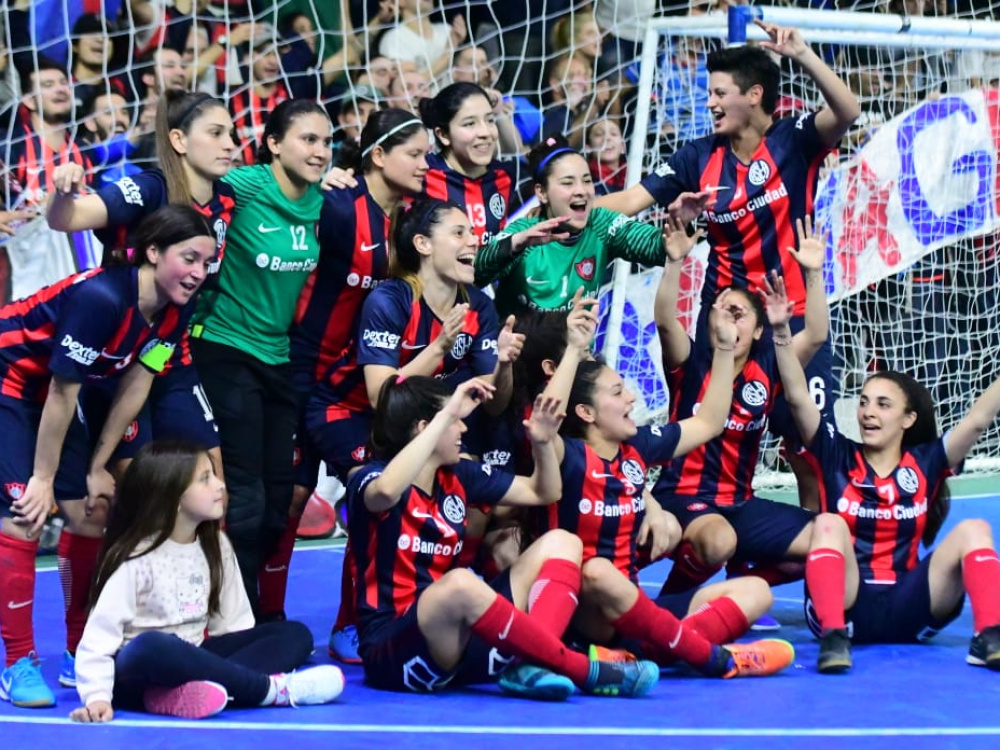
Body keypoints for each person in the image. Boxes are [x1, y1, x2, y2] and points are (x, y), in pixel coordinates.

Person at [596, 22, 861, 509]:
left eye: (720, 92)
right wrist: (570, 209)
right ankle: (699, 532)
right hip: (724, 321)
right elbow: (632, 200)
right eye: (708, 92)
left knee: (809, 449)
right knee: (711, 436)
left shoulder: (794, 139)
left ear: (754, 94)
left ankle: (818, 552)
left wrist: (802, 54)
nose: (710, 102)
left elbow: (848, 110)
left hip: (793, 314)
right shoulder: (698, 157)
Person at [0, 205, 217, 708]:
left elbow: (138, 381)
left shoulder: (177, 307)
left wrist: (98, 466)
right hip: (12, 380)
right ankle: (18, 661)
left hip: (63, 393)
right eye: (189, 258)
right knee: (23, 517)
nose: (198, 273)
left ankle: (82, 651)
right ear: (153, 253)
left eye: (206, 263)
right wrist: (41, 478)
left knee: (94, 512)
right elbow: (59, 391)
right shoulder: (101, 299)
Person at [519, 291, 795, 681]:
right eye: (617, 393)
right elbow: (548, 417)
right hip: (582, 608)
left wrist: (721, 349)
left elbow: (708, 423)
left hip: (628, 610)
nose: (631, 397)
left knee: (756, 593)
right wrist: (575, 350)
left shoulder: (638, 448)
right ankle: (713, 658)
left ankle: (638, 654)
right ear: (585, 412)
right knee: (597, 570)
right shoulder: (566, 453)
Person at [349, 375, 659, 698]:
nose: (464, 430)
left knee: (564, 542)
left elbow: (545, 491)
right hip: (394, 649)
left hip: (459, 639)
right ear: (425, 428)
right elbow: (385, 491)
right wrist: (445, 415)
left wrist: (542, 443)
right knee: (460, 583)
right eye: (456, 422)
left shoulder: (459, 475)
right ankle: (579, 668)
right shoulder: (368, 478)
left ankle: (532, 665)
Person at [768, 273, 1000, 674]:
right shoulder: (834, 450)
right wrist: (781, 333)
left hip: (909, 604)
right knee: (827, 523)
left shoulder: (927, 461)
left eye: (882, 405)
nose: (868, 412)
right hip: (845, 600)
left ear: (909, 418)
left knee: (974, 528)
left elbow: (979, 419)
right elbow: (796, 396)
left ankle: (990, 637)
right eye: (863, 402)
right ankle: (833, 639)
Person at [279, 110, 430, 627]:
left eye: (428, 154)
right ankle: (266, 616)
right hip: (302, 369)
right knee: (291, 497)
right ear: (378, 156)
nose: (425, 164)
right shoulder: (338, 207)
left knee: (376, 493)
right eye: (414, 154)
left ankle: (353, 622)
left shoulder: (416, 220)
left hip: (366, 380)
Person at [69, 441, 344, 722]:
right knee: (153, 646)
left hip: (197, 656)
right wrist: (97, 697)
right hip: (142, 669)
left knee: (294, 635)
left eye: (213, 475)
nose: (219, 485)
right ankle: (270, 691)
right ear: (172, 496)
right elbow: (97, 643)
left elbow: (234, 628)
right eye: (204, 479)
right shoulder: (134, 559)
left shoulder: (216, 544)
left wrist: (244, 652)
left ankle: (180, 696)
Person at [188, 99, 333, 615]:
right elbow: (191, 185)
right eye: (307, 140)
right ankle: (231, 615)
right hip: (223, 347)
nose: (319, 152)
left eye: (325, 142)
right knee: (244, 498)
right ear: (273, 144)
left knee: (278, 501)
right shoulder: (248, 186)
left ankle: (253, 610)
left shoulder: (326, 201)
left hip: (280, 359)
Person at [652, 216, 826, 598]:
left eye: (739, 312)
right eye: (721, 308)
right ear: (708, 319)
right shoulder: (691, 362)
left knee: (826, 540)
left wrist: (813, 274)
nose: (728, 314)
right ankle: (671, 606)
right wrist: (674, 261)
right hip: (682, 498)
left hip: (740, 504)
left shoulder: (766, 370)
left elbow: (815, 335)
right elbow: (665, 322)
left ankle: (742, 583)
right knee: (718, 539)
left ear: (759, 330)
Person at [474, 135, 666, 317]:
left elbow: (652, 245)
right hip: (518, 350)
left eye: (587, 181)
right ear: (541, 193)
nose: (581, 191)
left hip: (576, 350)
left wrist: (679, 230)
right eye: (568, 183)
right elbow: (476, 272)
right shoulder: (525, 232)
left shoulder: (600, 223)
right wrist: (514, 245)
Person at [419, 82, 518, 247]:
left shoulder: (504, 176)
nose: (485, 133)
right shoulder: (422, 174)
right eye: (470, 123)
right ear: (443, 134)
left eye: (490, 120)